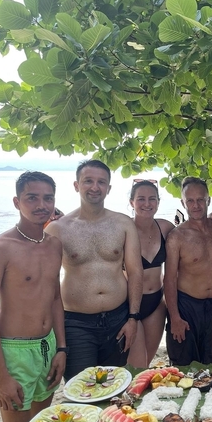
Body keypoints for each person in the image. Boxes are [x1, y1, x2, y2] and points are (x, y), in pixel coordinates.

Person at [0, 171, 67, 422]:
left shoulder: (54, 245)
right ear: (17, 202)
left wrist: (61, 348)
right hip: (13, 352)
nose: (41, 204)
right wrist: (2, 376)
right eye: (32, 197)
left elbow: (54, 299)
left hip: (47, 347)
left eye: (47, 198)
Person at [45, 160, 143, 380]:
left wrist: (133, 318)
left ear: (108, 188)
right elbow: (46, 282)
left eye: (101, 182)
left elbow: (136, 272)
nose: (95, 187)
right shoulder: (57, 229)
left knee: (113, 388)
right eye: (88, 181)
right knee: (81, 390)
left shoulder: (123, 224)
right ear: (76, 185)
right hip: (77, 324)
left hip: (118, 319)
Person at [164, 176, 212, 366]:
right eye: (190, 201)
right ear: (183, 203)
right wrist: (175, 317)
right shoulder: (177, 236)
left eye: (200, 199)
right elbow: (169, 279)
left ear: (208, 200)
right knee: (184, 366)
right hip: (186, 306)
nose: (196, 205)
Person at [127, 179, 175, 368]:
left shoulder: (165, 227)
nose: (147, 204)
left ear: (158, 202)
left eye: (152, 199)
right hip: (131, 304)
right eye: (141, 199)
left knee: (146, 362)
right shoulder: (124, 228)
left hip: (157, 303)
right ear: (132, 202)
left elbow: (191, 235)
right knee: (136, 366)